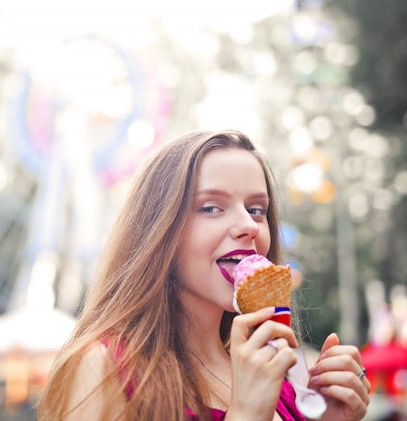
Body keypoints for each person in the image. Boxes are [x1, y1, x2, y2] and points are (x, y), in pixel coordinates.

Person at [37, 130, 371, 420]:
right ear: (160, 230)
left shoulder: (275, 382)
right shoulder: (106, 368)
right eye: (211, 207)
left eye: (257, 209)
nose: (247, 226)